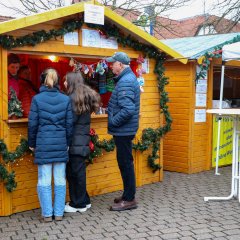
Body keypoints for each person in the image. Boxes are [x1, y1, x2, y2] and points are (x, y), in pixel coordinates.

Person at [28, 68, 73, 222]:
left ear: (43, 80)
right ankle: (59, 213)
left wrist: (32, 143)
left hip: (43, 144)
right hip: (60, 143)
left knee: (44, 180)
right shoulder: (65, 99)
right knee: (60, 179)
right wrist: (67, 143)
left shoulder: (37, 99)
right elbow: (69, 125)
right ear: (58, 81)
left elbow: (32, 124)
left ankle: (47, 214)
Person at [106, 52, 140, 211]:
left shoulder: (126, 81)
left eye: (113, 63)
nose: (111, 65)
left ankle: (129, 199)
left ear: (120, 64)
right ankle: (127, 195)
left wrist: (113, 121)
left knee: (126, 164)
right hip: (124, 130)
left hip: (123, 131)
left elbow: (128, 109)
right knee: (125, 163)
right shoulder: (127, 79)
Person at [64, 72, 100, 213]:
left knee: (74, 173)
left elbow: (70, 122)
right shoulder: (83, 96)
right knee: (78, 173)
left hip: (74, 142)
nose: (65, 83)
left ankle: (78, 204)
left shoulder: (72, 98)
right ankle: (84, 200)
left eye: (66, 81)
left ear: (71, 82)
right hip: (82, 141)